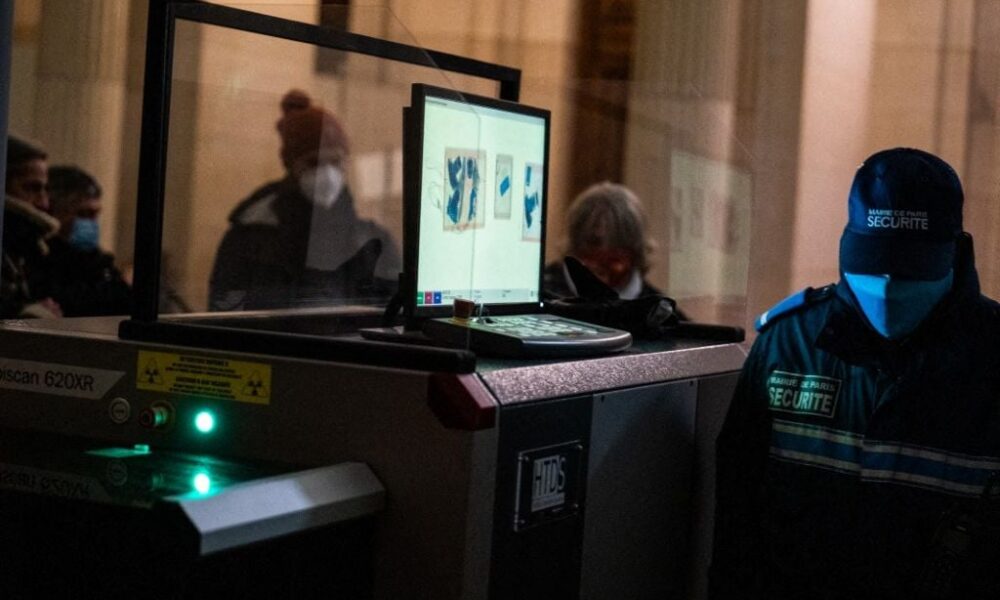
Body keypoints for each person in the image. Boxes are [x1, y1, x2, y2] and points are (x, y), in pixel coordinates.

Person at [710, 148, 1000, 599]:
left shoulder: (991, 364)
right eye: (872, 260)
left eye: (910, 269)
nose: (886, 285)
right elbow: (736, 519)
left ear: (954, 252)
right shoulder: (789, 348)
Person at [208, 89, 400, 311]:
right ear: (293, 167)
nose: (328, 173)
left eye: (335, 161)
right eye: (314, 162)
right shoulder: (250, 239)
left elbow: (391, 320)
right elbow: (226, 318)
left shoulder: (372, 242)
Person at [29, 165, 132, 316]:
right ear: (53, 213)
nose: (92, 222)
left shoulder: (99, 261)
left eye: (95, 214)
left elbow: (126, 302)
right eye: (84, 213)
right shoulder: (35, 259)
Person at [544, 182, 667, 301]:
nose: (604, 256)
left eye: (619, 243)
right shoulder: (538, 295)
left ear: (636, 250)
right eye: (594, 242)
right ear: (575, 243)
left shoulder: (661, 314)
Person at [2, 136, 61, 318]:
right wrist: (24, 315)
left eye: (45, 190)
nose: (44, 203)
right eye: (32, 188)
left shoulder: (27, 250)